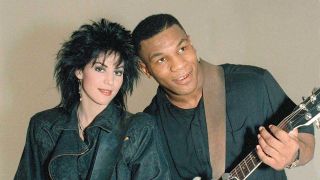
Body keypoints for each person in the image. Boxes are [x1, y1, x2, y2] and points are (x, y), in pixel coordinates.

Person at [132, 14, 315, 180]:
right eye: (161, 60)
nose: (178, 65)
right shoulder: (147, 129)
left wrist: (294, 155)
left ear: (191, 43)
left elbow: (306, 140)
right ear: (145, 69)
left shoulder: (254, 83)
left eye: (182, 49)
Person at [15, 18, 169, 180]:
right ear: (79, 71)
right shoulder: (44, 126)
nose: (110, 81)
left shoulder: (139, 129)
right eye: (100, 69)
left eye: (118, 72)